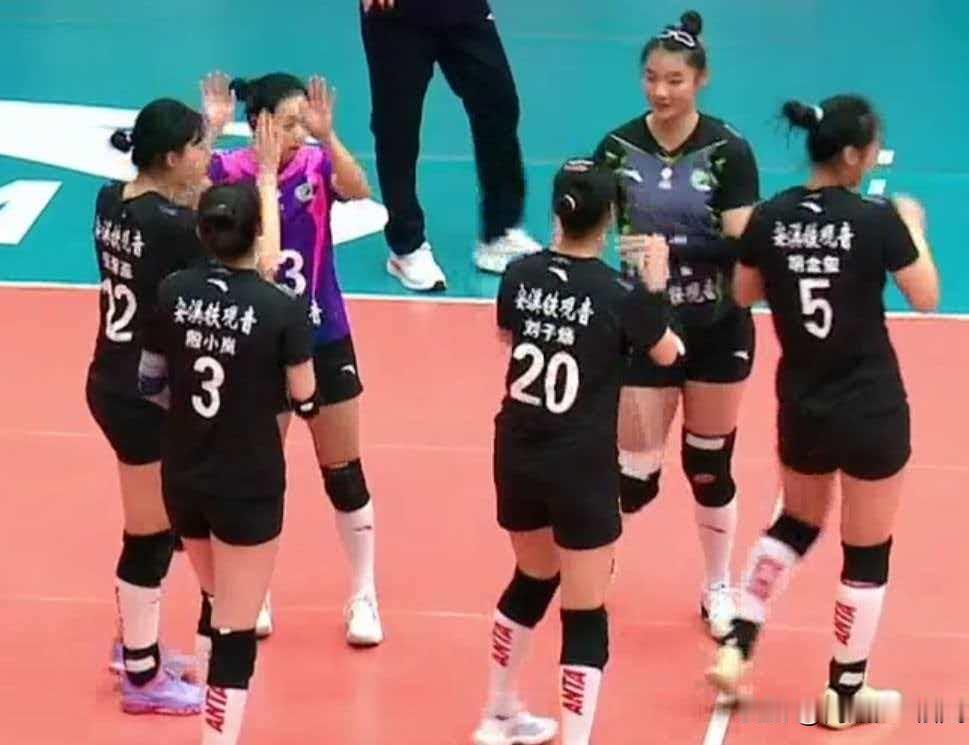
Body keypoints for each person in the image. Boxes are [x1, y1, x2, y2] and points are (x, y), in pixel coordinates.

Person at [706, 96, 939, 729]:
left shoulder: (770, 217)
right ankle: (845, 694)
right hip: (870, 405)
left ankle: (738, 642)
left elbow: (743, 293)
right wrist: (913, 225)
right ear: (852, 155)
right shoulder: (877, 218)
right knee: (866, 550)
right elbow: (926, 295)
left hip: (804, 401)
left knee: (796, 523)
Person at [472, 159, 684, 745]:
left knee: (533, 576)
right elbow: (669, 354)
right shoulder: (619, 294)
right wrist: (656, 283)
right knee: (586, 612)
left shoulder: (518, 274)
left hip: (517, 451)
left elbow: (508, 336)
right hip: (580, 464)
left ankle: (498, 712)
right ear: (610, 220)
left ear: (556, 212)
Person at [139, 116, 321, 743]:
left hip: (183, 475)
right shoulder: (280, 308)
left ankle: (205, 715)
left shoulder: (172, 291)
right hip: (248, 482)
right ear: (258, 236)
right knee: (235, 629)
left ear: (203, 233)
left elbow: (150, 382)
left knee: (216, 602)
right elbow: (306, 398)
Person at [593, 10, 760, 638]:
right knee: (633, 476)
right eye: (651, 78)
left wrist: (673, 250)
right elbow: (589, 231)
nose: (660, 92)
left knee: (708, 466)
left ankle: (718, 586)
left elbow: (743, 244)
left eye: (674, 81)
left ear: (700, 80)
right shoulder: (616, 148)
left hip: (717, 324)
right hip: (645, 325)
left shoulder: (728, 151)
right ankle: (595, 564)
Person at [201, 71, 383, 645]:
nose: (298, 133)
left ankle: (364, 595)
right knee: (259, 475)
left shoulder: (314, 165)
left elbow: (360, 189)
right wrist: (212, 128)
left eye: (302, 122)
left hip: (323, 334)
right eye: (288, 123)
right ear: (258, 125)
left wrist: (328, 136)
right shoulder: (229, 174)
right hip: (258, 346)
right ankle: (254, 591)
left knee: (343, 470)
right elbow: (186, 190)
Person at [86, 97, 209, 715]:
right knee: (151, 536)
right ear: (171, 156)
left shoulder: (110, 198)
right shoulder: (173, 227)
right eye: (199, 147)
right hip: (140, 393)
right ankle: (140, 675)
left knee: (152, 525)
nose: (207, 156)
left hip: (112, 376)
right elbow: (234, 255)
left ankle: (136, 646)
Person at [359, 0, 542, 291]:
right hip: (396, 13)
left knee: (498, 102)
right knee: (397, 125)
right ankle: (406, 246)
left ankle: (499, 231)